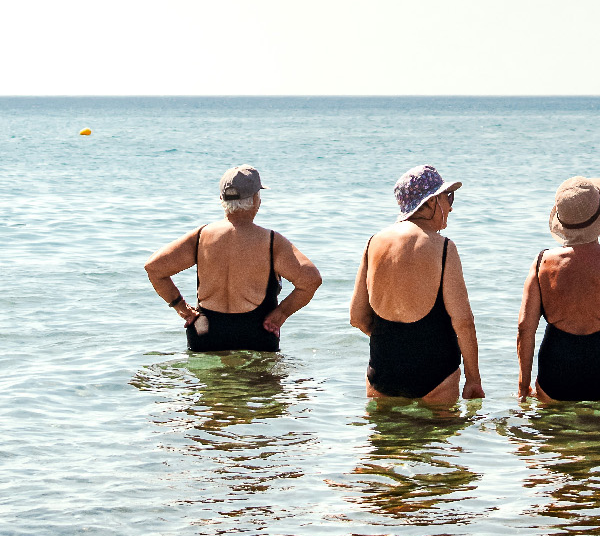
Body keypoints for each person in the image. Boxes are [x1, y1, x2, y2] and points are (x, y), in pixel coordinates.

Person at [144, 165, 322, 352]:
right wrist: (281, 314)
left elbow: (154, 268)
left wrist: (181, 307)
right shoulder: (272, 242)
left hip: (205, 334)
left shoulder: (201, 236)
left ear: (221, 199)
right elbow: (311, 280)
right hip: (256, 336)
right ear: (255, 199)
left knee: (209, 382)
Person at [350, 165, 484, 403]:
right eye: (447, 196)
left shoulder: (373, 242)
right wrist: (473, 379)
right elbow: (464, 322)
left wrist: (397, 342)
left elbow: (357, 317)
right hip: (436, 377)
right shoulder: (444, 248)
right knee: (438, 438)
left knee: (388, 439)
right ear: (430, 202)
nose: (451, 206)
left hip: (382, 374)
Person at [517, 176, 600, 403]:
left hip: (557, 378)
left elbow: (525, 328)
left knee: (555, 436)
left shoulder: (542, 263)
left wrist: (523, 386)